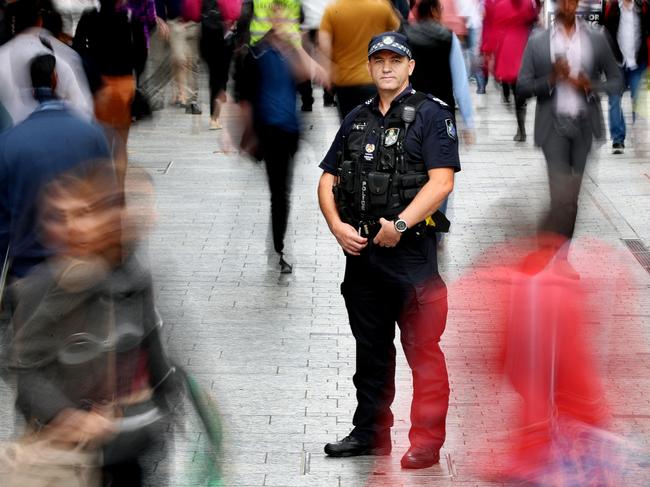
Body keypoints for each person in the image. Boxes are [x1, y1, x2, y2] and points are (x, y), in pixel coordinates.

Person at [318, 32, 459, 469]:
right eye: (378, 60)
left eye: (394, 61)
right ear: (370, 66)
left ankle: (426, 443)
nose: (386, 68)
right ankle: (370, 434)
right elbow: (327, 179)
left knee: (423, 351)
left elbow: (442, 181)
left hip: (412, 258)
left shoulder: (432, 116)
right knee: (370, 351)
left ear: (409, 66)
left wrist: (400, 224)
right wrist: (337, 227)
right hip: (363, 258)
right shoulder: (357, 118)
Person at [517, 0, 622, 245]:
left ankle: (561, 255)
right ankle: (554, 256)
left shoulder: (596, 38)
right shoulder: (538, 41)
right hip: (552, 128)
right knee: (560, 198)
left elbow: (617, 81)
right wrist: (552, 78)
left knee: (572, 199)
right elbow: (522, 87)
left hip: (584, 127)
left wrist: (590, 86)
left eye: (572, 0)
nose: (567, 5)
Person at [0, 54, 111, 283]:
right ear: (56, 80)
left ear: (31, 89)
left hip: (27, 274)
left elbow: (2, 226)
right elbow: (108, 203)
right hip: (84, 271)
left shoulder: (9, 143)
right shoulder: (92, 134)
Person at [238, 1, 311, 273]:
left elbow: (308, 76)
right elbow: (244, 99)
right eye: (276, 15)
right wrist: (246, 136)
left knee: (282, 193)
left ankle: (278, 247)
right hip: (269, 132)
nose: (281, 21)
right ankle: (279, 249)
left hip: (290, 132)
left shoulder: (292, 52)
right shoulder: (255, 54)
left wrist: (298, 45)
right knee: (279, 193)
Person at [0, 0, 93, 127]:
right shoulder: (62, 55)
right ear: (40, 22)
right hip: (55, 137)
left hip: (8, 141)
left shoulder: (2, 55)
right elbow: (83, 110)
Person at [405, 0, 475, 143]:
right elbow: (460, 83)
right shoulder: (449, 37)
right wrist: (468, 123)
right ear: (434, 10)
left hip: (411, 110)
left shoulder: (406, 37)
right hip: (442, 111)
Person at [318, 0, 400, 120]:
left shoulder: (332, 9)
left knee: (349, 126)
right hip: (375, 78)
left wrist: (328, 71)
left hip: (344, 80)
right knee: (375, 125)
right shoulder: (381, 6)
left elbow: (324, 46)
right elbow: (396, 29)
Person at [485, 0, 538, 141]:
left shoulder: (501, 5)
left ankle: (521, 129)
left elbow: (494, 29)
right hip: (524, 47)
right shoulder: (527, 3)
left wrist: (488, 49)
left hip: (508, 49)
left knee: (515, 88)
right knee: (520, 89)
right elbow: (534, 19)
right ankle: (521, 128)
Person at [603, 0, 650, 154]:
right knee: (614, 100)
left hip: (638, 62)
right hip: (617, 64)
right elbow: (606, 35)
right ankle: (617, 139)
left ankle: (638, 137)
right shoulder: (613, 8)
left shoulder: (643, 7)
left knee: (638, 100)